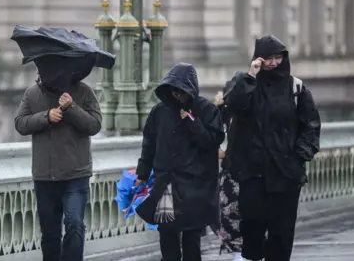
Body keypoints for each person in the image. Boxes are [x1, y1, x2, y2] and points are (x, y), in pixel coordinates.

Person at [222, 35, 321, 261]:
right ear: (259, 58)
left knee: (282, 232)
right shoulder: (245, 83)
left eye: (278, 57)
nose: (274, 63)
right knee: (252, 227)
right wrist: (251, 75)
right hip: (253, 172)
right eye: (269, 58)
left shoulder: (296, 88)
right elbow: (234, 105)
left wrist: (299, 156)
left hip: (286, 173)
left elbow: (311, 125)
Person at [135, 63, 225, 261]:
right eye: (174, 91)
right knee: (167, 236)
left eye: (181, 91)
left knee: (192, 238)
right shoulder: (159, 112)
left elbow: (212, 141)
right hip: (166, 183)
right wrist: (142, 174)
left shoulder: (205, 109)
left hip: (195, 185)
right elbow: (148, 144)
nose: (178, 96)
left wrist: (191, 122)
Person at [14, 70, 102, 261]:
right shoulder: (32, 94)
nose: (41, 72)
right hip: (45, 176)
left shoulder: (84, 91)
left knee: (75, 225)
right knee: (50, 233)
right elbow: (20, 123)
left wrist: (71, 107)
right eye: (41, 68)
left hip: (76, 175)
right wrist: (45, 117)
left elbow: (95, 125)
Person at [213, 91, 244, 261]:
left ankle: (240, 252)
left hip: (244, 172)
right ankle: (238, 252)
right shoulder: (224, 114)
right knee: (227, 213)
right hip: (231, 172)